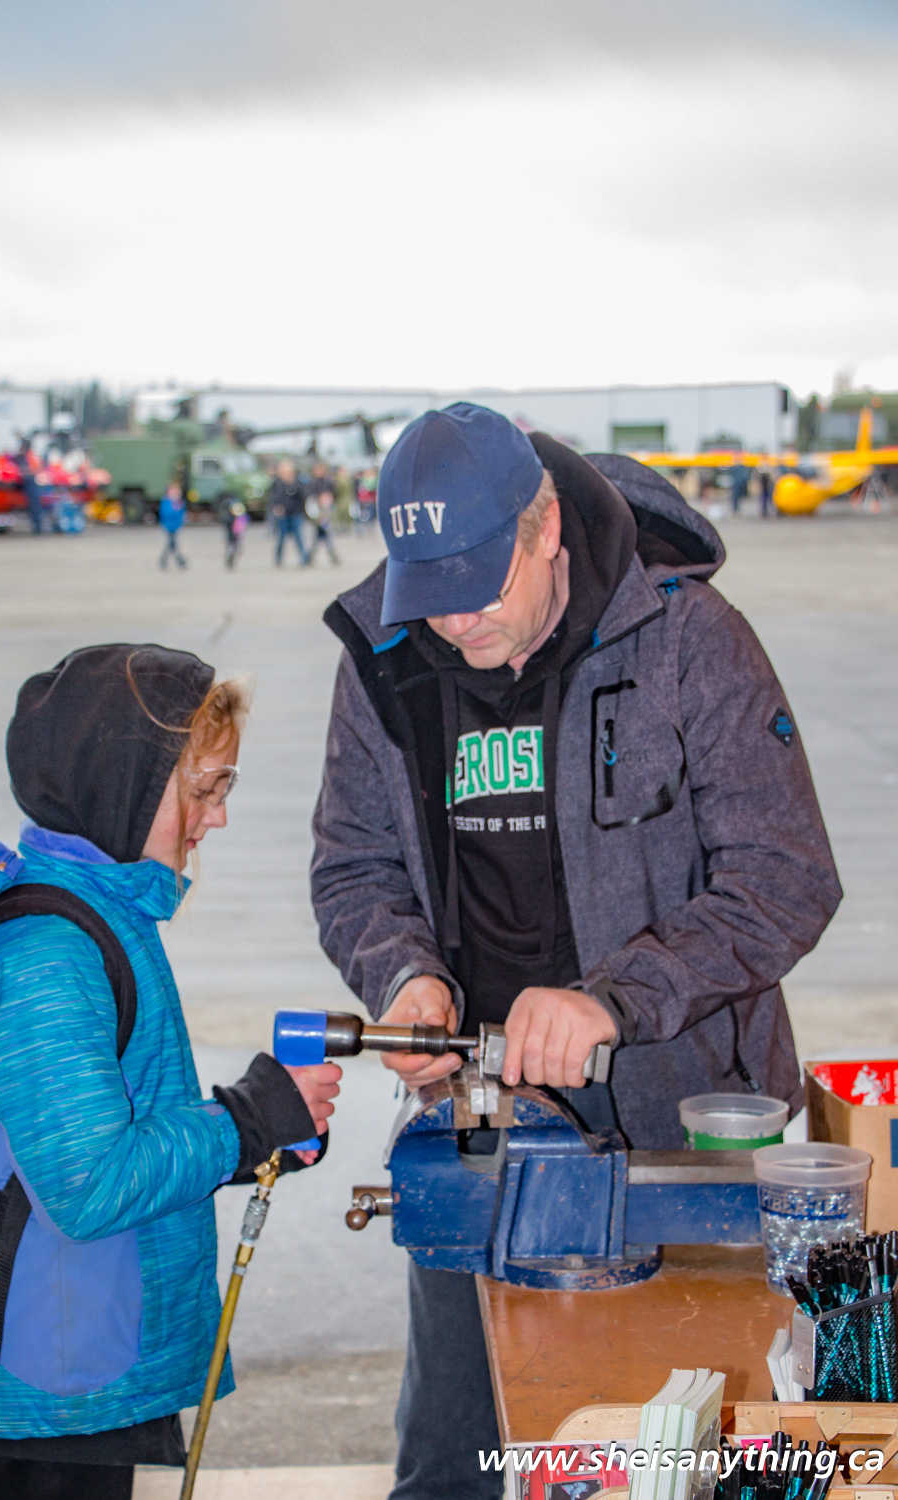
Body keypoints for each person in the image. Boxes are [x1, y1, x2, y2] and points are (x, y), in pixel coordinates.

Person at [310, 403, 841, 1500]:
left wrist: (615, 999)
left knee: (664, 1456)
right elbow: (353, 868)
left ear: (545, 525)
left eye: (478, 583)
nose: (455, 619)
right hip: (476, 1130)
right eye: (429, 590)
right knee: (455, 1463)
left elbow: (786, 877)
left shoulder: (688, 636)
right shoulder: (384, 658)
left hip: (681, 1135)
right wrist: (404, 975)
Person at [0, 644, 340, 1500]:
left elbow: (108, 1129)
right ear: (125, 787)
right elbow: (90, 1186)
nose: (219, 816)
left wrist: (257, 1133)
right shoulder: (48, 954)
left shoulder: (101, 914)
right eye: (206, 787)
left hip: (89, 1344)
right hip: (59, 1375)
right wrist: (248, 1119)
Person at [267, 459, 310, 566]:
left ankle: (303, 558)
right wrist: (276, 507)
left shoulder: (297, 483)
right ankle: (278, 558)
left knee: (299, 537)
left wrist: (301, 511)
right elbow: (273, 498)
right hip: (282, 515)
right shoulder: (277, 483)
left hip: (295, 513)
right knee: (281, 538)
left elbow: (303, 497)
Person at [306, 462, 341, 565]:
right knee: (317, 537)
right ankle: (311, 556)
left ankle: (331, 555)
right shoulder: (312, 483)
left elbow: (334, 494)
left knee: (326, 535)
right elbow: (309, 498)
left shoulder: (328, 482)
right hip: (316, 512)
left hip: (326, 511)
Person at [158, 482, 188, 569]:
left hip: (176, 526)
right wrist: (175, 510)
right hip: (168, 526)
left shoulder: (179, 502)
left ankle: (169, 561)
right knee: (172, 544)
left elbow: (182, 513)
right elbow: (166, 513)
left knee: (172, 545)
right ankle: (179, 561)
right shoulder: (166, 502)